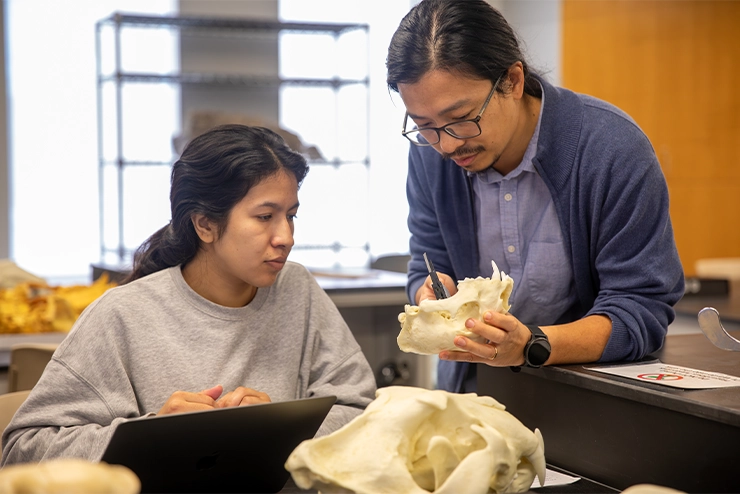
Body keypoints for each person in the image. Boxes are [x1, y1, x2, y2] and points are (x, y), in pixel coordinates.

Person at [1, 124, 376, 465]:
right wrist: (154, 436)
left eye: (291, 215)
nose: (286, 238)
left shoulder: (297, 289)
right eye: (265, 217)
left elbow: (362, 409)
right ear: (205, 224)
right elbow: (22, 450)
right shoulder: (122, 315)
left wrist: (277, 428)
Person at [386, 0, 684, 393]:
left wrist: (531, 345)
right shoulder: (431, 155)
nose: (445, 145)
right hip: (474, 394)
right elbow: (425, 260)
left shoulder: (611, 149)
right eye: (425, 126)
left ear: (512, 80)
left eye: (461, 119)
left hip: (592, 399)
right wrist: (430, 292)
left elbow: (639, 310)